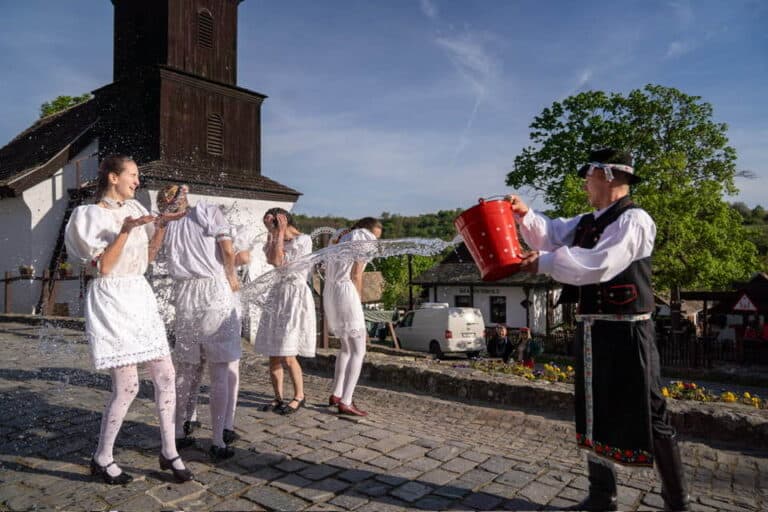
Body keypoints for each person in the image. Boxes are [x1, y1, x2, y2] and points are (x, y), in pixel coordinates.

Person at [506, 148, 689, 511]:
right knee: (592, 408)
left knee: (651, 413)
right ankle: (602, 496)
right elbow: (552, 234)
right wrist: (526, 214)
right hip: (592, 330)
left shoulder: (634, 220)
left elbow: (599, 264)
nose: (585, 183)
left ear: (606, 176)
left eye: (587, 176)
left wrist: (541, 265)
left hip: (628, 331)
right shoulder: (588, 221)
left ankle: (677, 502)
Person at [64, 155, 193, 484]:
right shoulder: (87, 216)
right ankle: (102, 456)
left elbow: (147, 259)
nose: (137, 181)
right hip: (111, 298)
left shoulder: (137, 209)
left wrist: (161, 226)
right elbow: (104, 268)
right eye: (132, 175)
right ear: (112, 177)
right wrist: (123, 231)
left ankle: (168, 451)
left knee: (166, 374)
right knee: (128, 386)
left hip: (139, 295)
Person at [157, 184, 249, 461]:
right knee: (219, 370)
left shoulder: (167, 224)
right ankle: (219, 439)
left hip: (184, 296)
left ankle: (181, 431)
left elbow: (160, 256)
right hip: (213, 292)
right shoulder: (207, 210)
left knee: (187, 368)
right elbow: (227, 249)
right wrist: (231, 274)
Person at [254, 208, 316, 415]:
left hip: (295, 295)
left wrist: (280, 232)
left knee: (288, 353)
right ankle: (278, 397)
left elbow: (282, 262)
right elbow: (273, 260)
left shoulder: (304, 240)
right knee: (273, 353)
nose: (270, 228)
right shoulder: (272, 239)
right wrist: (274, 234)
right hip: (278, 295)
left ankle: (300, 396)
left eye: (272, 224)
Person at [324, 217, 383, 417]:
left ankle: (336, 393)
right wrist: (358, 302)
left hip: (331, 291)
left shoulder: (340, 237)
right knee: (359, 349)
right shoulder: (363, 237)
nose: (375, 240)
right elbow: (357, 274)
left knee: (346, 348)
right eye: (376, 236)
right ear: (368, 230)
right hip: (347, 291)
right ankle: (346, 401)